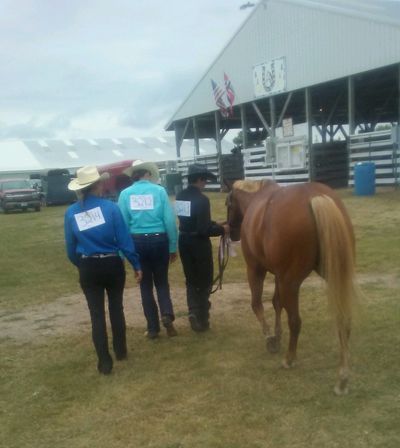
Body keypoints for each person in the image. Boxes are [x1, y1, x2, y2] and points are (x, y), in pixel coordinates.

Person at [64, 166, 142, 375]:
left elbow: (70, 248)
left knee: (96, 314)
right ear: (98, 185)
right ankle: (120, 350)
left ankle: (104, 362)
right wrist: (135, 264)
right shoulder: (110, 208)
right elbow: (124, 240)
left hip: (88, 265)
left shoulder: (71, 212)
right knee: (116, 308)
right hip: (112, 264)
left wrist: (81, 264)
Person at [118, 160, 178, 339]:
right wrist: (173, 245)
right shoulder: (159, 191)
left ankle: (152, 328)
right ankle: (166, 314)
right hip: (159, 240)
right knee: (161, 282)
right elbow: (169, 220)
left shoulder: (125, 194)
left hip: (137, 242)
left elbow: (122, 224)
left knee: (145, 285)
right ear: (148, 174)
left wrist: (123, 252)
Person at [175, 163, 229, 332]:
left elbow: (189, 221)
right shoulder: (202, 200)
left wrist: (214, 223)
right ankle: (203, 318)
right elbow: (203, 229)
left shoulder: (180, 196)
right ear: (199, 179)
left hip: (184, 240)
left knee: (191, 279)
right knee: (205, 279)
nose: (205, 183)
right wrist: (222, 229)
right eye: (204, 179)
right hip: (199, 244)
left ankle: (192, 310)